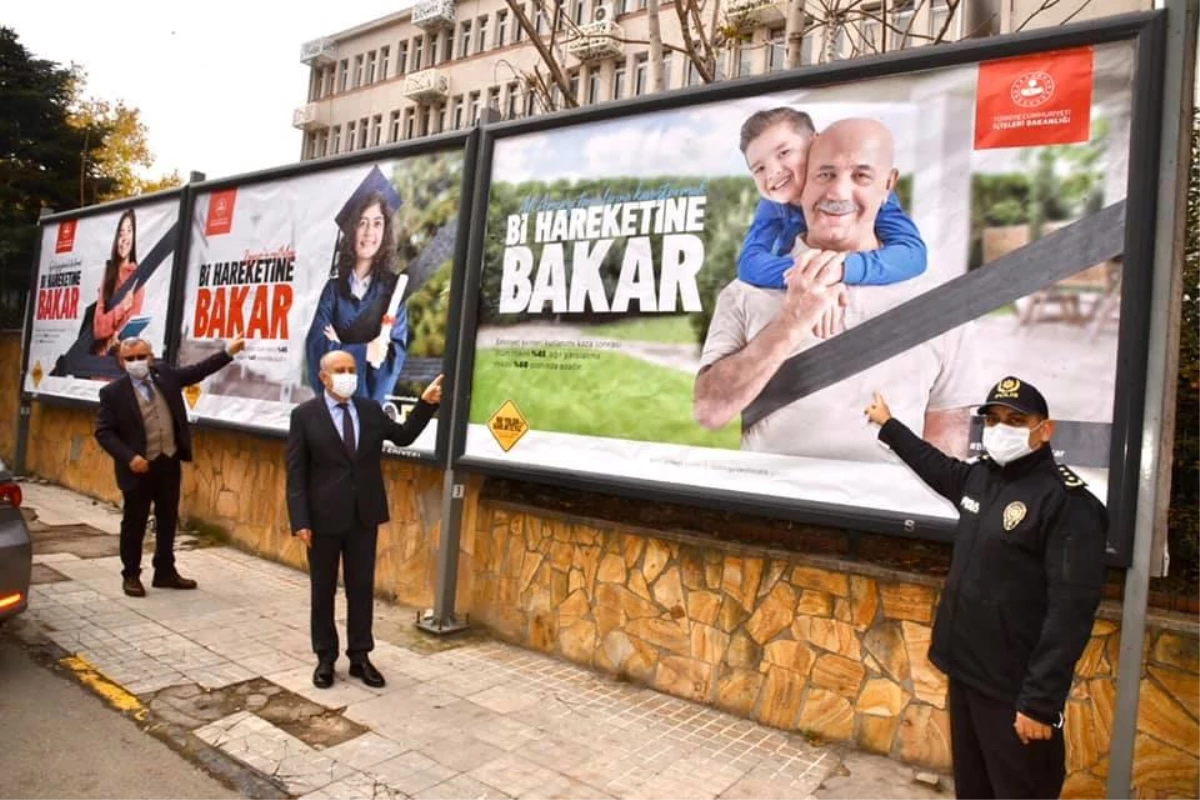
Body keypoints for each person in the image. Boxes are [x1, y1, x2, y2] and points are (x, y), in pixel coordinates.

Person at [865, 376, 1108, 800]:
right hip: (968, 673)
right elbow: (935, 466)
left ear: (1044, 429)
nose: (1001, 429)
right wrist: (889, 425)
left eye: (1016, 420)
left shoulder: (1068, 503)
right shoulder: (983, 479)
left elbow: (1071, 611)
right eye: (993, 419)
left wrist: (1039, 703)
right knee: (974, 790)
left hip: (1015, 693)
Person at [695, 118, 978, 462]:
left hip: (889, 511)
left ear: (888, 184)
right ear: (805, 179)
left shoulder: (939, 301)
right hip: (768, 505)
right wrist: (792, 321)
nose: (838, 193)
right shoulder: (743, 292)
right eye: (824, 174)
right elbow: (709, 413)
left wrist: (838, 270)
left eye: (861, 176)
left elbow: (948, 427)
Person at [286, 351, 443, 689]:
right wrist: (300, 520)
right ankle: (326, 657)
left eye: (351, 370)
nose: (347, 375)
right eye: (339, 370)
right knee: (322, 590)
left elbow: (403, 436)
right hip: (323, 519)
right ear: (324, 377)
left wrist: (426, 404)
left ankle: (360, 656)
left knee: (360, 589)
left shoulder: (370, 410)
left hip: (363, 516)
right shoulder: (304, 416)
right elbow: (296, 474)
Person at [736, 107, 926, 337]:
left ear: (816, 143)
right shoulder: (773, 204)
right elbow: (750, 262)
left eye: (784, 153)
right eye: (759, 168)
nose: (773, 171)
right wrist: (813, 279)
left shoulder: (867, 195)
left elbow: (913, 254)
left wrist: (838, 270)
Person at [95, 336, 246, 597]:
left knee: (167, 519)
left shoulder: (165, 375)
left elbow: (197, 371)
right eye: (130, 359)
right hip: (138, 468)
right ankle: (130, 574)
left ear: (151, 356)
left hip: (168, 461)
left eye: (141, 356)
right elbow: (104, 432)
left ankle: (165, 571)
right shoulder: (113, 393)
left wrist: (228, 353)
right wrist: (130, 457)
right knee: (135, 522)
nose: (137, 362)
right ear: (121, 362)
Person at [305, 166, 410, 406]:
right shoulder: (333, 290)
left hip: (368, 414)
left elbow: (390, 360)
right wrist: (364, 352)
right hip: (331, 412)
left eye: (377, 223)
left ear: (385, 231)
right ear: (352, 229)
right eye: (362, 222)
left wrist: (338, 346)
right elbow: (316, 350)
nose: (369, 232)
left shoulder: (393, 291)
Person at [93, 209, 145, 355]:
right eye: (121, 233)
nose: (124, 239)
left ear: (134, 236)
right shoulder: (109, 272)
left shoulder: (138, 276)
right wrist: (122, 307)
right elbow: (98, 329)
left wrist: (116, 335)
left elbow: (130, 327)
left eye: (129, 231)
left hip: (123, 359)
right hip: (99, 363)